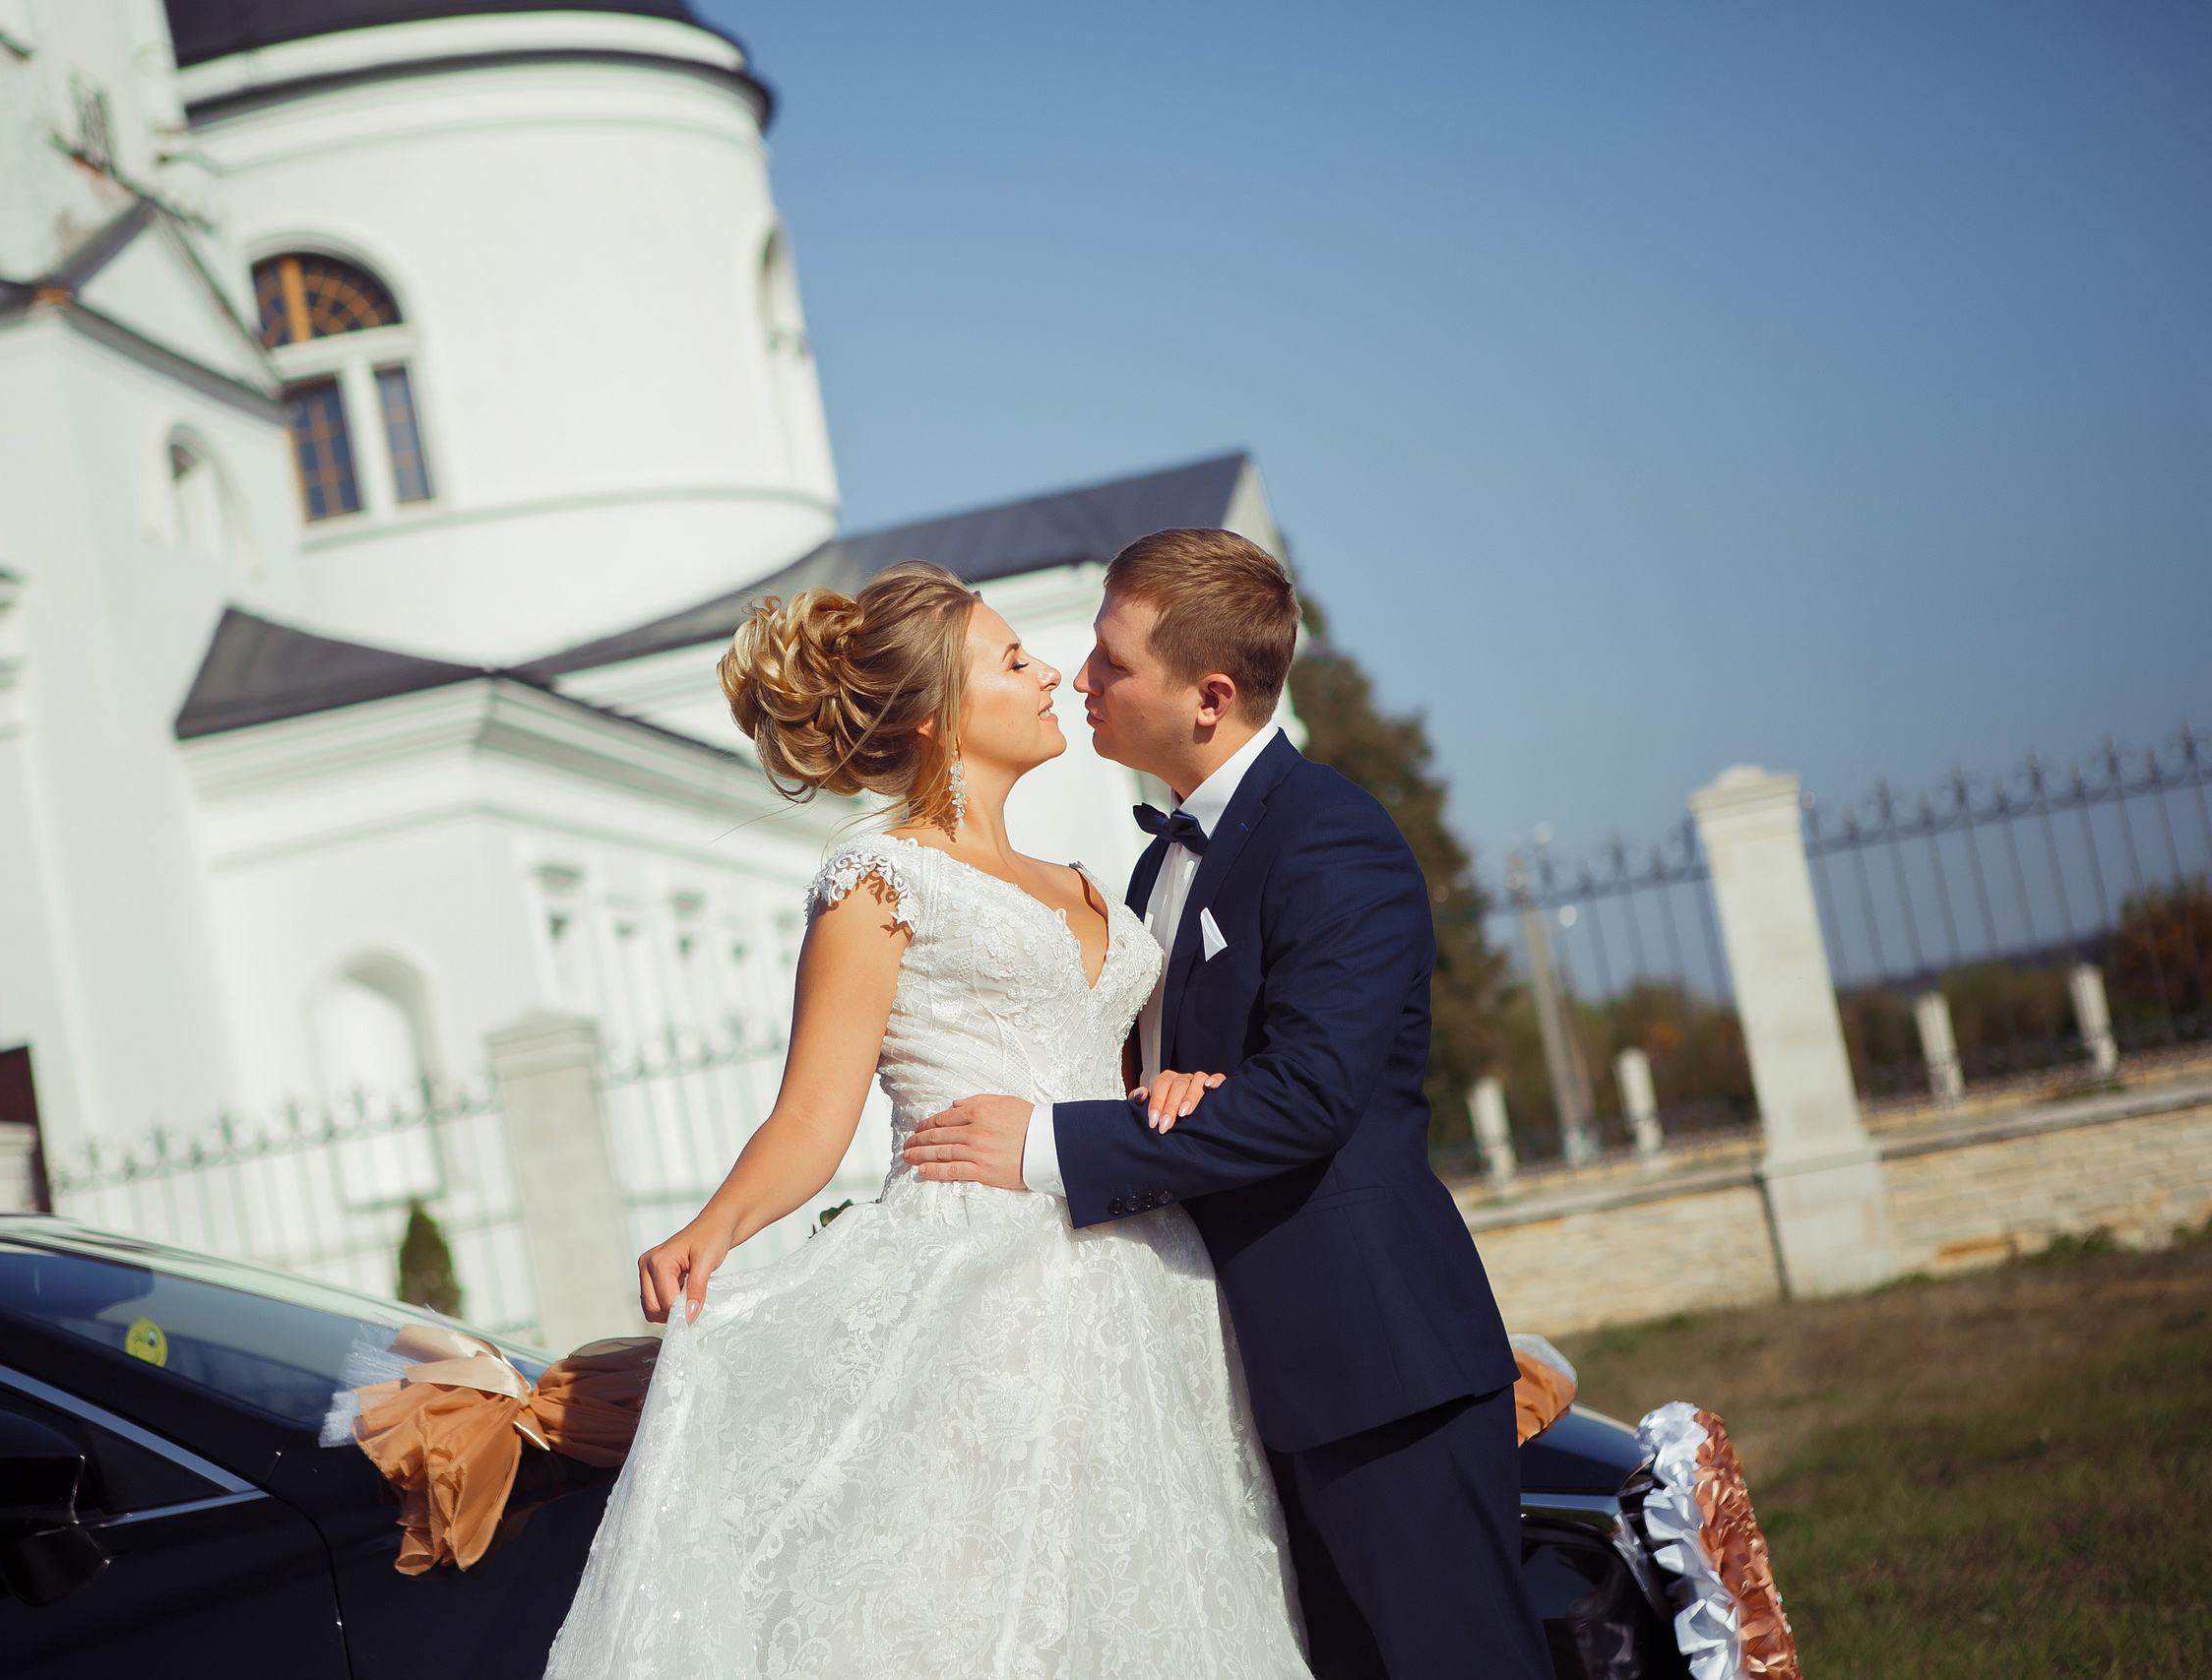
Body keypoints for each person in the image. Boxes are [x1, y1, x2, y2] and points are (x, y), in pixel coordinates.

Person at [542, 562, 1312, 1677]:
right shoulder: (876, 880)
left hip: (1153, 1284)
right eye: (1012, 662)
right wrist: (708, 1231)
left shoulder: (1094, 880)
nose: (1051, 672)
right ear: (929, 713)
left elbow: (1145, 1068)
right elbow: (811, 1116)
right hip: (985, 1292)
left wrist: (1184, 1087)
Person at [903, 529, 1555, 1680]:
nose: (1080, 679)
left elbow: (1305, 1103)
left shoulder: (1332, 840)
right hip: (1240, 1382)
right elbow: (1200, 1092)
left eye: (1111, 662)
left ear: (1208, 696)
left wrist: (1044, 1142)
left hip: (1375, 1376)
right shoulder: (1159, 869)